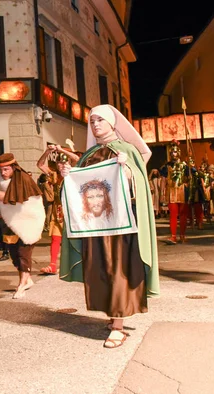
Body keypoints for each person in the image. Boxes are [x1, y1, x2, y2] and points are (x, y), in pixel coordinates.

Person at [59, 104, 159, 349]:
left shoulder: (127, 150)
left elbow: (139, 186)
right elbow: (80, 188)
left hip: (120, 227)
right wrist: (67, 175)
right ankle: (113, 316)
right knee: (99, 269)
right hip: (95, 227)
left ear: (112, 123)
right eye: (92, 121)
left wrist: (126, 170)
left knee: (118, 270)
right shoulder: (88, 155)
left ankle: (118, 327)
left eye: (100, 120)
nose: (95, 125)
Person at [0, 153, 45, 299]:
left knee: (24, 252)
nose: (3, 173)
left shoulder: (22, 178)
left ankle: (22, 284)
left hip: (28, 221)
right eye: (2, 169)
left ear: (13, 167)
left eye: (6, 169)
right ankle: (27, 278)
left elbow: (12, 198)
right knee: (14, 253)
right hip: (10, 221)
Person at [37, 145, 80, 274]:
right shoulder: (54, 175)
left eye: (64, 162)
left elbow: (77, 159)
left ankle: (77, 264)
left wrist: (61, 150)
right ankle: (53, 265)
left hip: (73, 211)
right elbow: (40, 164)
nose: (61, 165)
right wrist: (47, 151)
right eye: (59, 163)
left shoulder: (74, 173)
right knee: (55, 239)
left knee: (75, 240)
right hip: (58, 211)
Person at [159, 140, 188, 244]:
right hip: (171, 192)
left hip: (183, 192)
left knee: (183, 215)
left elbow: (189, 178)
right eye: (172, 152)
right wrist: (162, 193)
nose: (173, 154)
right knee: (173, 215)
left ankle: (183, 235)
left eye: (175, 152)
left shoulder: (185, 166)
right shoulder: (166, 166)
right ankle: (173, 236)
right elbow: (163, 180)